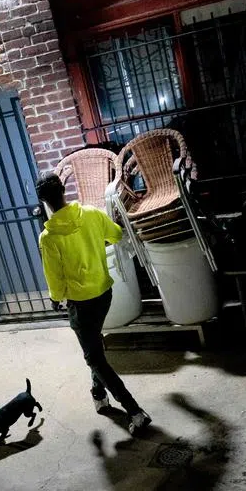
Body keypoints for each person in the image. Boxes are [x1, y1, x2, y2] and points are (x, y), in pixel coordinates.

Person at [35, 172, 152, 436]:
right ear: (64, 189)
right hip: (103, 294)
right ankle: (98, 394)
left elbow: (54, 277)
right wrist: (92, 245)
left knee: (94, 358)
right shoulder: (91, 213)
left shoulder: (48, 237)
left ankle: (135, 411)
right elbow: (116, 234)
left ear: (43, 200)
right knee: (94, 346)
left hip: (80, 303)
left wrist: (56, 298)